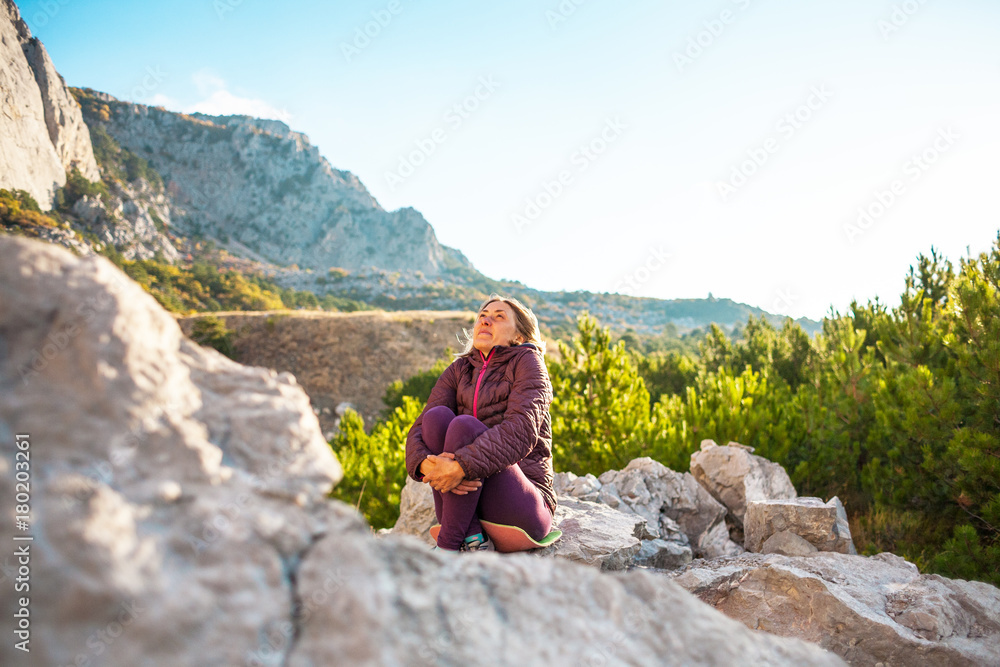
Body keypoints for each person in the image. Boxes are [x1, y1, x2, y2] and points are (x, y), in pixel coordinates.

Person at [404, 293, 556, 552]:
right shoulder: (459, 369)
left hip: (520, 506)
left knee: (465, 426)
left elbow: (521, 431)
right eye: (482, 316)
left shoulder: (528, 363)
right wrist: (427, 465)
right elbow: (418, 430)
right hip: (469, 507)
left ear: (518, 336)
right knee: (435, 417)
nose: (486, 321)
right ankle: (473, 538)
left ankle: (448, 548)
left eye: (498, 317)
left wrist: (461, 467)